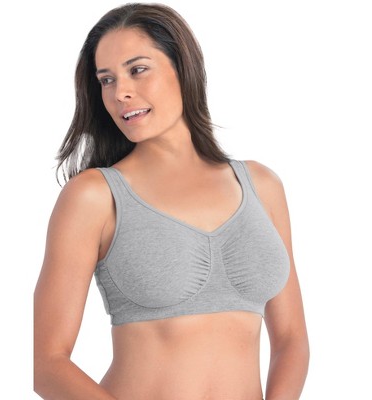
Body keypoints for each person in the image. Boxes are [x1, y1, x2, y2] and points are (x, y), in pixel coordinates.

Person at [34, 3, 309, 399]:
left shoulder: (261, 185)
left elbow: (292, 338)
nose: (120, 92)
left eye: (137, 70)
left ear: (183, 68)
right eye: (106, 79)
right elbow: (46, 365)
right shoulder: (95, 196)